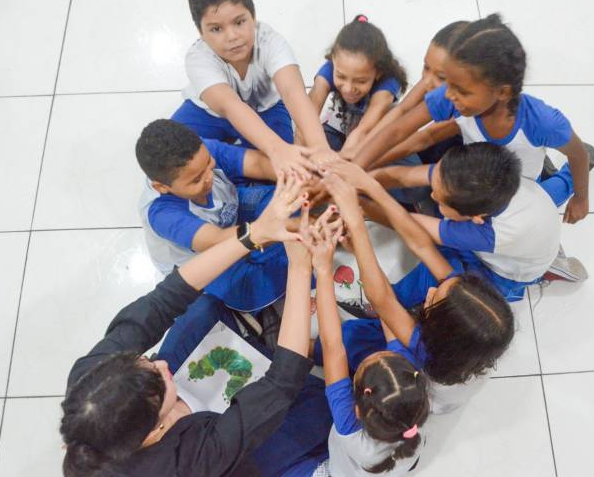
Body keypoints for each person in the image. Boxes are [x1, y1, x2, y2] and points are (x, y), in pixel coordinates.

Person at [60, 173, 332, 477]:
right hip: (225, 459)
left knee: (203, 307)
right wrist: (300, 265)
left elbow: (165, 299)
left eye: (146, 360)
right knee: (319, 407)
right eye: (160, 380)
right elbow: (282, 382)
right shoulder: (190, 463)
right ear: (155, 430)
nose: (162, 363)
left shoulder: (90, 384)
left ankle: (262, 340)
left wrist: (253, 234)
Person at [353, 14, 594, 224]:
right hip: (481, 176)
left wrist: (581, 198)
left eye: (461, 90)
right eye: (448, 82)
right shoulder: (454, 96)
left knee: (538, 207)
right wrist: (355, 169)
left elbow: (577, 155)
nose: (448, 95)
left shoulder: (543, 122)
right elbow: (397, 131)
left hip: (519, 186)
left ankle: (568, 176)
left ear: (502, 92)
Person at [315, 165, 514, 414]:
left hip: (430, 389)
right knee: (444, 263)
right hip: (454, 359)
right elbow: (422, 246)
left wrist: (357, 226)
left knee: (352, 337)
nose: (430, 292)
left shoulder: (425, 353)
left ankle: (310, 348)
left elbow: (382, 299)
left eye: (433, 301)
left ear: (436, 332)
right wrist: (371, 190)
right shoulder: (467, 308)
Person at [299, 203, 430, 474]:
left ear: (357, 408)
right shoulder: (407, 392)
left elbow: (334, 347)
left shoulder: (349, 425)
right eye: (389, 352)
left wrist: (323, 269)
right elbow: (384, 305)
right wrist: (359, 247)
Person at [172, 0, 336, 177]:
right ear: (200, 32)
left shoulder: (270, 41)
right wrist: (276, 149)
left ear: (253, 17)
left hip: (266, 109)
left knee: (289, 167)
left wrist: (320, 147)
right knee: (172, 154)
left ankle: (237, 167)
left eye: (239, 22)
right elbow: (231, 107)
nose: (232, 36)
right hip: (208, 112)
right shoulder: (198, 57)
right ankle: (237, 164)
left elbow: (293, 92)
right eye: (216, 29)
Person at [370, 143, 564, 302]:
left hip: (502, 275)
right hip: (536, 223)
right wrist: (368, 179)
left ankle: (391, 300)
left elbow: (411, 225)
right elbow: (416, 174)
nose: (432, 195)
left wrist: (364, 204)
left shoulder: (489, 233)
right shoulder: (493, 180)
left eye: (441, 199)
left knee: (443, 269)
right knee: (557, 189)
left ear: (476, 218)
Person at [136, 119, 286, 314]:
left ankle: (285, 254)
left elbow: (257, 163)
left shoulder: (197, 153)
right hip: (204, 256)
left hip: (231, 209)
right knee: (251, 290)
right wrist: (279, 228)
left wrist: (298, 178)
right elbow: (215, 240)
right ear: (161, 187)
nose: (209, 177)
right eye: (197, 179)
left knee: (287, 199)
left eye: (209, 163)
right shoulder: (162, 213)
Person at [348, 20, 468, 166]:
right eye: (426, 67)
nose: (427, 81)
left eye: (441, 77)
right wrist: (361, 148)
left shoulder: (462, 111)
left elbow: (423, 139)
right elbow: (402, 111)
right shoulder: (434, 83)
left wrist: (361, 163)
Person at [307, 15, 407, 158]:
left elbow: (363, 131)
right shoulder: (329, 70)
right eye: (341, 77)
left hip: (374, 134)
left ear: (378, 72)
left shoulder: (388, 84)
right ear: (333, 60)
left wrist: (339, 163)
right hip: (340, 127)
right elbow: (307, 116)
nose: (348, 88)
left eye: (360, 81)